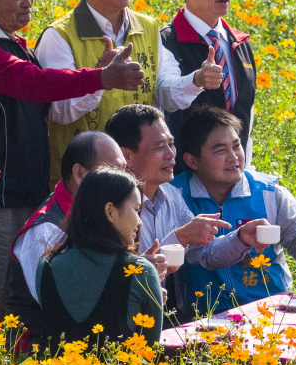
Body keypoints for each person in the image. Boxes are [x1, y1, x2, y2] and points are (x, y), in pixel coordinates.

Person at [0, 0, 145, 360]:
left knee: (16, 304)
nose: (29, 1)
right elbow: (31, 83)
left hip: (23, 193)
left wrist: (96, 80)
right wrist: (100, 76)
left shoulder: (11, 41)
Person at [172, 106, 296, 317]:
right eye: (221, 151)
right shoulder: (174, 196)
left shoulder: (269, 192)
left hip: (270, 315)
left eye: (236, 146)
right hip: (203, 319)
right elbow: (197, 255)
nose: (234, 157)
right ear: (192, 160)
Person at [35, 0, 163, 186]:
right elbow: (58, 111)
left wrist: (195, 80)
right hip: (83, 184)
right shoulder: (59, 37)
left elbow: (162, 93)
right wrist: (100, 79)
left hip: (138, 180)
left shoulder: (148, 27)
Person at [104, 104, 250, 313]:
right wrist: (180, 237)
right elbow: (119, 275)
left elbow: (204, 253)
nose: (171, 154)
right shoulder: (111, 204)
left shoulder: (170, 195)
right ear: (126, 155)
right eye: (159, 147)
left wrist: (242, 238)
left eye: (171, 144)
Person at [5, 131, 126, 352]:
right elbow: (63, 305)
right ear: (80, 173)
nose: (123, 180)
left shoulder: (98, 212)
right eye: (114, 170)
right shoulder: (46, 231)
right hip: (38, 359)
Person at [34, 168, 164, 354]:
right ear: (110, 211)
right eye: (136, 210)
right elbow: (150, 355)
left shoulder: (46, 267)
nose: (140, 222)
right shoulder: (141, 272)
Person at [158, 0, 256, 173]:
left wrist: (245, 170)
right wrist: (197, 80)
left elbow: (245, 118)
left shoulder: (239, 43)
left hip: (233, 177)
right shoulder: (166, 40)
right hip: (185, 179)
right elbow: (167, 96)